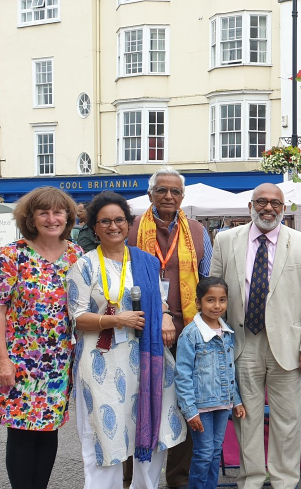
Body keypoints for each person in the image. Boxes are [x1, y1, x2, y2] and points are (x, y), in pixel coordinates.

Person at [210, 183, 301, 489]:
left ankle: (284, 481)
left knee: (287, 420)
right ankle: (250, 480)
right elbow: (213, 293)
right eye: (261, 202)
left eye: (275, 203)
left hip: (288, 345)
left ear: (283, 208)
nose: (268, 208)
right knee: (245, 417)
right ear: (251, 206)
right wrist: (216, 343)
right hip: (241, 341)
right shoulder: (224, 240)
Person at [67, 191, 185, 489]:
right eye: (104, 221)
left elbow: (159, 304)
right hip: (100, 363)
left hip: (145, 358)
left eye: (119, 220)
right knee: (105, 436)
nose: (113, 226)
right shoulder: (84, 266)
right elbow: (77, 318)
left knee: (151, 430)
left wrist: (168, 315)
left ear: (128, 223)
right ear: (94, 226)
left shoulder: (145, 263)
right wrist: (115, 320)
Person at [0, 186, 83, 489]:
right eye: (43, 212)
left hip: (60, 361)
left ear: (68, 216)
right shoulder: (13, 256)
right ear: (31, 218)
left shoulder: (77, 255)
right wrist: (1, 360)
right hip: (21, 358)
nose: (52, 218)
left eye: (58, 211)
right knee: (22, 432)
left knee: (48, 431)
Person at [128, 166, 212, 488]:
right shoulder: (131, 229)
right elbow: (125, 283)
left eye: (175, 191)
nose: (168, 196)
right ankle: (134, 479)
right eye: (161, 190)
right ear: (150, 194)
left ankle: (178, 479)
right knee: (140, 405)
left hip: (188, 332)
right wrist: (158, 312)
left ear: (182, 196)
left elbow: (206, 284)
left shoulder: (198, 231)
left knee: (186, 405)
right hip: (141, 331)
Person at [175, 277, 246, 489]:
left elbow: (229, 369)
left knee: (215, 451)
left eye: (222, 300)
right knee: (204, 453)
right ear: (198, 303)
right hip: (201, 407)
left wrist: (237, 400)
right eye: (210, 300)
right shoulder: (190, 334)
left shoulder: (227, 332)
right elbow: (183, 374)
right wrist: (190, 411)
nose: (217, 306)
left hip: (223, 404)